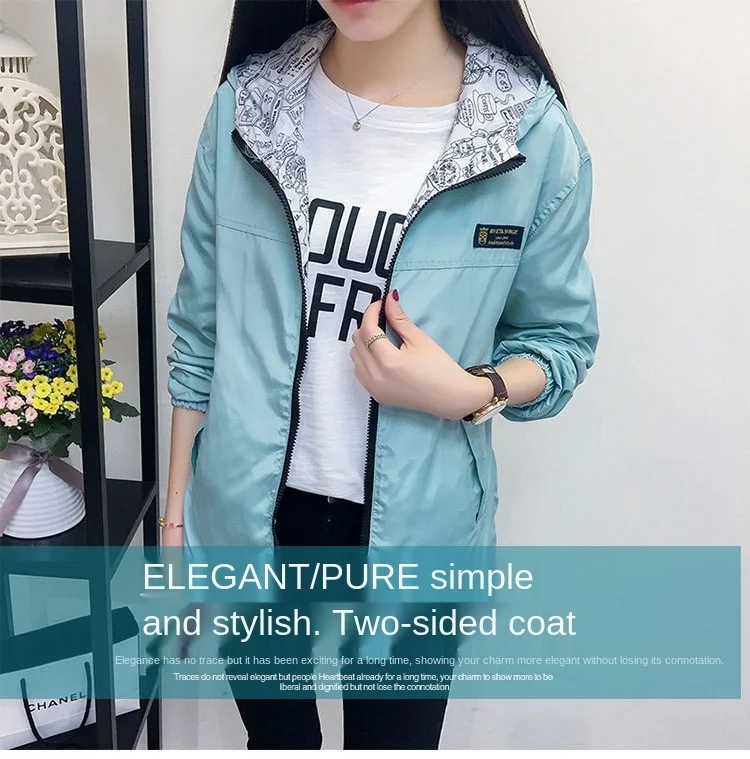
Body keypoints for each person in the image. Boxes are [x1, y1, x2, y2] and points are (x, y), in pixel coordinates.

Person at [163, 0, 599, 749]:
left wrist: (471, 391)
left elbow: (560, 340)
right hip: (247, 513)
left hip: (418, 529)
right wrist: (177, 523)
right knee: (277, 743)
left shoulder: (527, 132)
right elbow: (200, 332)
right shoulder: (247, 109)